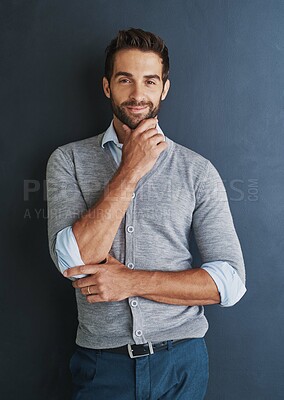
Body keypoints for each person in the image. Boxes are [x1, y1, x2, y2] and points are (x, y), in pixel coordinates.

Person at [46, 28, 246, 400]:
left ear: (164, 88)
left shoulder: (197, 170)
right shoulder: (68, 160)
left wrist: (130, 281)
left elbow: (229, 284)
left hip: (181, 364)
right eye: (125, 80)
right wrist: (130, 170)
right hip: (101, 367)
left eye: (150, 81)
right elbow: (73, 260)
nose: (138, 95)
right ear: (107, 86)